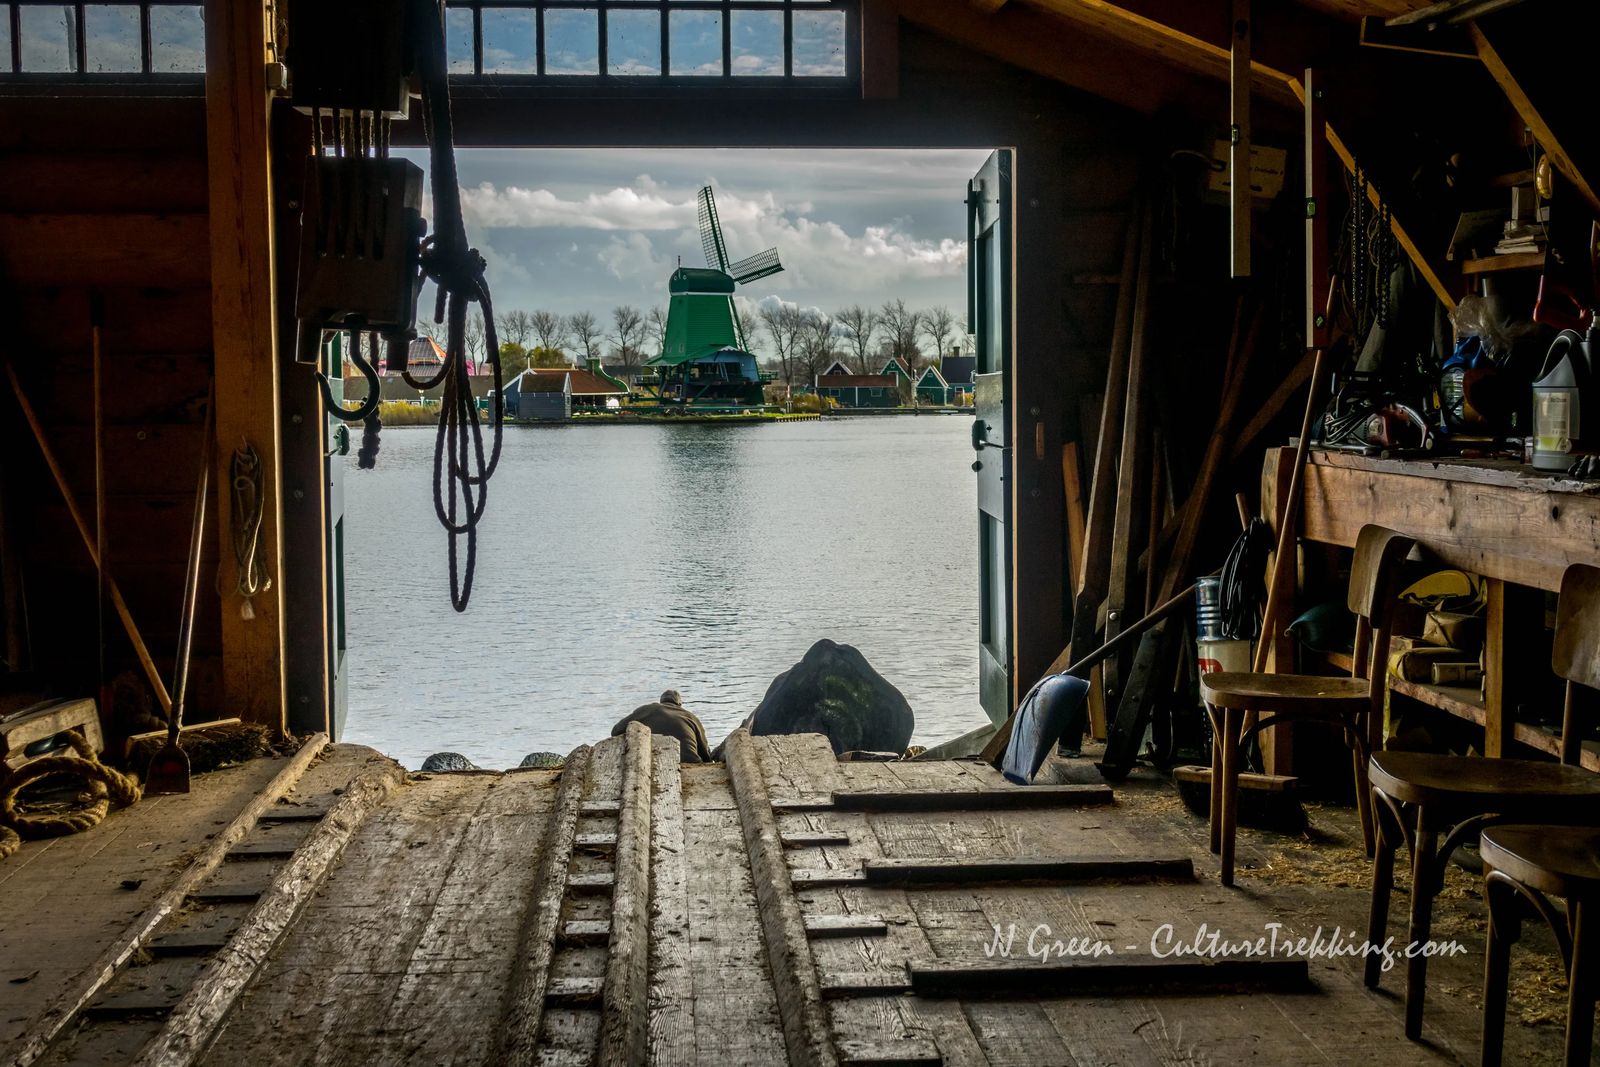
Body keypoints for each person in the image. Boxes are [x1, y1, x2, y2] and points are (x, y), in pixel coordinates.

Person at [611, 689, 714, 763]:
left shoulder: (647, 709)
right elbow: (705, 753)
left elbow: (616, 731)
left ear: (661, 701)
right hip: (690, 761)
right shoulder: (691, 717)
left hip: (656, 760)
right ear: (679, 704)